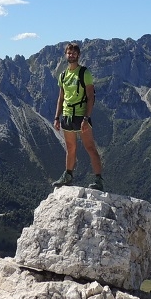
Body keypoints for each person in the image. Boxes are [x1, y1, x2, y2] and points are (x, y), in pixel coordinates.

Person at [52, 42, 104, 191]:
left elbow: (90, 97)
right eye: (69, 53)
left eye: (74, 53)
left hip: (81, 116)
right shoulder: (63, 75)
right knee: (70, 148)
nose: (71, 55)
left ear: (78, 55)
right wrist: (57, 118)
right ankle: (68, 175)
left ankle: (98, 180)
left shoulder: (84, 73)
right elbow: (61, 98)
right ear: (65, 55)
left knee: (90, 147)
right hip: (67, 115)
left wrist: (86, 118)